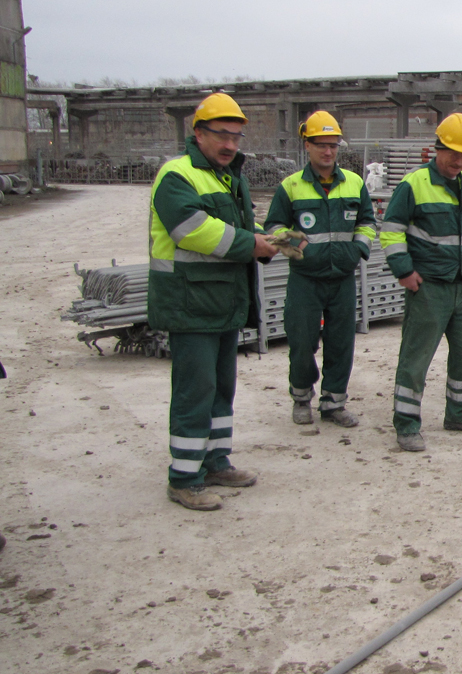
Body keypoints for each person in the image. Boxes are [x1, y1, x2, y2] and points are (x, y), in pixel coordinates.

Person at [148, 93, 278, 511]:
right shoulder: (177, 175)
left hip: (221, 300)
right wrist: (251, 243)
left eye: (237, 137)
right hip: (190, 302)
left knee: (222, 387)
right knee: (195, 389)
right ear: (198, 133)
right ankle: (184, 477)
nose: (230, 145)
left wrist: (266, 237)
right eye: (222, 135)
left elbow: (236, 226)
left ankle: (216, 460)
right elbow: (192, 230)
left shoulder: (227, 176)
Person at [381, 113, 462, 452]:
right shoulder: (413, 184)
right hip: (428, 287)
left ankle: (459, 413)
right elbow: (391, 230)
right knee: (416, 358)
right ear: (437, 149)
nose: (459, 161)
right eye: (453, 153)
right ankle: (407, 424)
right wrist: (404, 272)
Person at [264, 111, 376, 428]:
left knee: (341, 343)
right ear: (307, 146)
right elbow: (273, 226)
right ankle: (302, 399)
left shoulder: (354, 183)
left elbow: (368, 221)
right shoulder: (291, 186)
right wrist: (300, 249)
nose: (328, 152)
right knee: (302, 342)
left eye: (333, 145)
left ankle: (333, 404)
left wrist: (359, 249)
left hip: (342, 277)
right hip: (305, 279)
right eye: (321, 145)